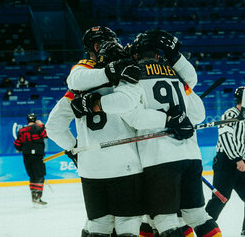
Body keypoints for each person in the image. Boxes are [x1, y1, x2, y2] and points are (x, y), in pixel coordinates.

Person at [80, 30, 221, 237]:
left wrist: (96, 104)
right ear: (158, 54)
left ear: (135, 55)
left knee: (164, 220)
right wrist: (179, 118)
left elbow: (133, 116)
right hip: (191, 155)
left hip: (159, 159)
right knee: (197, 216)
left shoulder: (133, 74)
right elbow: (198, 114)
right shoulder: (176, 75)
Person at [66, 26, 144, 237]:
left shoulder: (83, 74)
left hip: (91, 165)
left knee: (98, 225)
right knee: (128, 224)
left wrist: (74, 148)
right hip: (125, 162)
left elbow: (73, 82)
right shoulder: (128, 71)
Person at [205, 86, 245, 237]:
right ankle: (203, 228)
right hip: (226, 163)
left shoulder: (243, 119)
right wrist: (237, 158)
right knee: (220, 199)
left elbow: (240, 145)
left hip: (238, 162)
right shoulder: (229, 114)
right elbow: (225, 139)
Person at [14, 113, 48, 206]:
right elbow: (46, 135)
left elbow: (17, 145)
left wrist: (23, 147)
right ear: (35, 120)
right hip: (37, 155)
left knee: (32, 176)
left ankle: (34, 197)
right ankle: (38, 197)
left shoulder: (21, 131)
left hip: (26, 156)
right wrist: (42, 125)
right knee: (39, 176)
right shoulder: (38, 128)